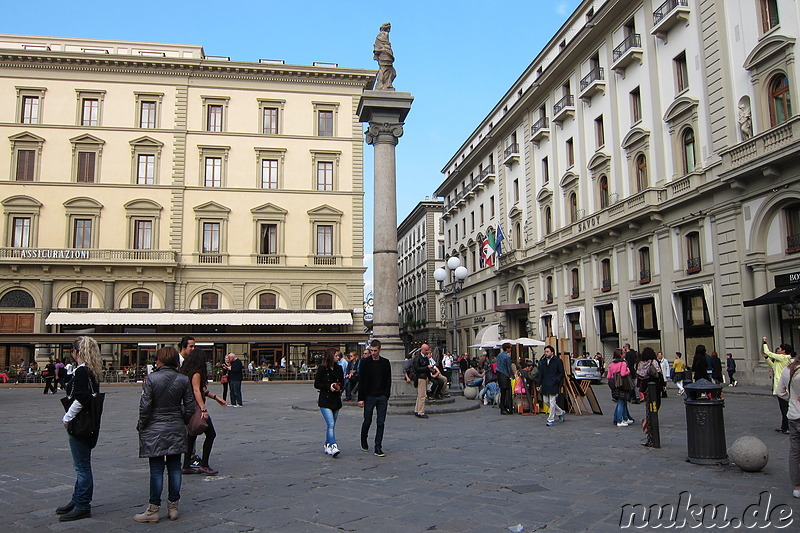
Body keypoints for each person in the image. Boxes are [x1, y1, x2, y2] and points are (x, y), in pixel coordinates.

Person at [134, 347, 194, 523]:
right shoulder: (183, 379)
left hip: (154, 426)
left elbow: (145, 406)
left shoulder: (152, 379)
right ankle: (173, 508)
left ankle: (153, 510)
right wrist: (180, 418)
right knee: (175, 466)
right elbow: (190, 407)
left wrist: (142, 424)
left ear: (159, 360)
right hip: (175, 425)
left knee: (156, 469)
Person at [56, 336, 103, 522]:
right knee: (82, 465)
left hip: (80, 425)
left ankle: (83, 504)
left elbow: (81, 398)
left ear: (77, 353)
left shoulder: (83, 372)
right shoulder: (91, 371)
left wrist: (67, 418)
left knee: (82, 467)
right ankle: (77, 500)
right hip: (90, 424)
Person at [181, 348, 226, 475]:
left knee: (191, 435)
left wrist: (216, 398)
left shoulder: (187, 372)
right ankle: (204, 465)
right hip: (196, 407)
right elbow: (196, 391)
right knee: (211, 434)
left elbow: (201, 390)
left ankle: (186, 465)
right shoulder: (197, 373)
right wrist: (203, 409)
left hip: (188, 406)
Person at [358, 339, 391, 457]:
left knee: (381, 423)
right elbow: (361, 381)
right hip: (369, 396)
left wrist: (386, 395)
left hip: (382, 396)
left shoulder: (385, 362)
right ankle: (364, 438)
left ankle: (378, 447)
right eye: (371, 350)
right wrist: (361, 398)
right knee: (367, 420)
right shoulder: (364, 362)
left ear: (380, 350)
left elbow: (388, 380)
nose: (373, 353)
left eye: (375, 351)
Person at [776, 357, 800, 499]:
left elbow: (780, 392)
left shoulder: (786, 371)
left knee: (795, 452)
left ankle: (797, 487)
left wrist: (791, 398)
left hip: (793, 415)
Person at [314, 347, 345, 456]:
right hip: (325, 400)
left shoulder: (339, 368)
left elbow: (342, 381)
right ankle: (333, 445)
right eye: (336, 356)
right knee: (331, 423)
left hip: (335, 400)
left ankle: (327, 444)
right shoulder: (322, 369)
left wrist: (338, 386)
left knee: (331, 425)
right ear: (331, 356)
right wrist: (328, 386)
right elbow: (317, 384)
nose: (338, 358)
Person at [763, 338, 794, 435]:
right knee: (783, 407)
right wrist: (766, 358)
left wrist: (764, 342)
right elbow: (773, 366)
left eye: (780, 349)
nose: (778, 350)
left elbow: (768, 352)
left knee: (785, 408)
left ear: (784, 351)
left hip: (782, 386)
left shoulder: (784, 358)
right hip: (782, 385)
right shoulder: (781, 359)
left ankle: (788, 427)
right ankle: (784, 426)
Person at [537, 345, 565, 427]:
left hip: (554, 384)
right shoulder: (543, 361)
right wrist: (538, 384)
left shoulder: (558, 361)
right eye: (545, 351)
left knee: (552, 402)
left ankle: (551, 419)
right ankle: (560, 412)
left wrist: (557, 380)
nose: (546, 353)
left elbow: (561, 372)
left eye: (547, 351)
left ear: (552, 352)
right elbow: (540, 374)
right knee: (546, 401)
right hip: (545, 384)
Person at [607, 348, 634, 427]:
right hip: (622, 384)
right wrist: (628, 371)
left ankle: (622, 418)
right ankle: (619, 420)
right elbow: (622, 373)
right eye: (623, 353)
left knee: (620, 400)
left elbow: (608, 376)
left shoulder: (611, 364)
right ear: (621, 354)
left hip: (614, 384)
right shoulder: (623, 363)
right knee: (621, 401)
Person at [412, 344, 433, 418]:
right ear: (423, 350)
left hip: (424, 377)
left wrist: (429, 377)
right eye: (426, 350)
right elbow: (416, 369)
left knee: (420, 395)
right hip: (420, 377)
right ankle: (421, 412)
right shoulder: (418, 358)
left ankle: (417, 410)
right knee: (422, 395)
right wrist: (426, 367)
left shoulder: (425, 358)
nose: (427, 351)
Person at [496, 343, 514, 415]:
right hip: (505, 375)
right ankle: (505, 407)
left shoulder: (499, 355)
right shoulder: (507, 357)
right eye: (510, 348)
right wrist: (512, 375)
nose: (510, 349)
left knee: (502, 392)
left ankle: (503, 406)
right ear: (507, 349)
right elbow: (509, 367)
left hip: (499, 375)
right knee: (507, 392)